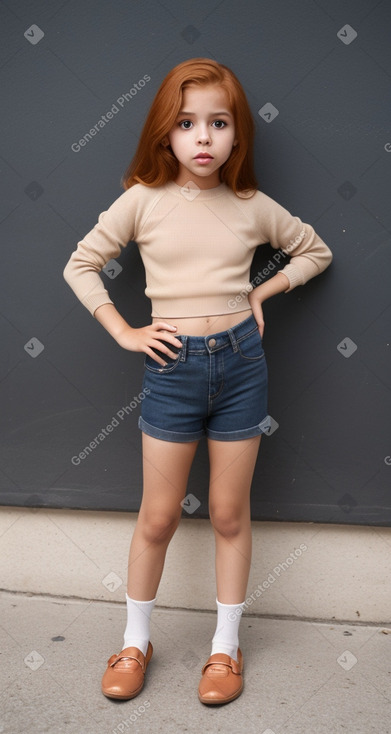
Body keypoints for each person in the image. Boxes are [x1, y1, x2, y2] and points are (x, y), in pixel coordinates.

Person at [63, 57, 332, 705]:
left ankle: (224, 649)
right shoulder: (142, 201)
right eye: (186, 124)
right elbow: (81, 264)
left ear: (237, 135)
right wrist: (125, 331)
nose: (203, 138)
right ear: (165, 134)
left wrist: (262, 293)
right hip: (171, 370)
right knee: (157, 517)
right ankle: (134, 640)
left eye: (218, 123)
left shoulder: (248, 205)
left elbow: (315, 251)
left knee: (227, 514)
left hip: (242, 365)